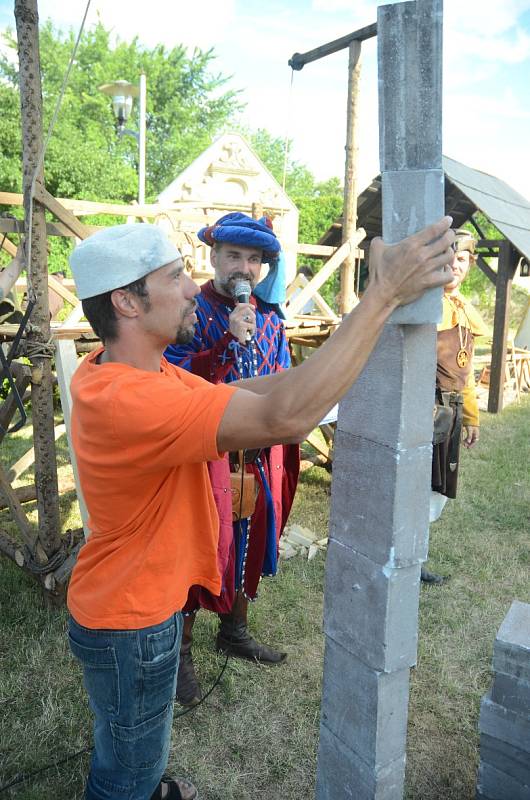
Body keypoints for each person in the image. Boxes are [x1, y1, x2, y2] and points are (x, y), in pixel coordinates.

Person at [67, 218, 454, 800]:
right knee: (125, 768)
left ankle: (146, 782)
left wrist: (352, 346)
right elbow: (286, 418)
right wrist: (383, 295)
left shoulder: (142, 372)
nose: (196, 287)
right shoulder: (133, 399)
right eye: (176, 276)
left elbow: (270, 391)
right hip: (133, 621)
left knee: (133, 737)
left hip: (134, 607)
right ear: (126, 301)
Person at [164, 212, 299, 707]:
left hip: (258, 457)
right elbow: (175, 381)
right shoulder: (186, 309)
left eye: (255, 259)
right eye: (235, 256)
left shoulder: (268, 316)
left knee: (248, 542)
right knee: (201, 551)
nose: (245, 268)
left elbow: (280, 376)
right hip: (204, 457)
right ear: (214, 256)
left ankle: (234, 631)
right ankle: (180, 655)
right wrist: (225, 343)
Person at [421, 228, 488, 584]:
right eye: (448, 257)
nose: (455, 265)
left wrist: (472, 417)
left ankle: (417, 557)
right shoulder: (426, 306)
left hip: (454, 406)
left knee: (437, 487)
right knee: (418, 484)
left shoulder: (466, 312)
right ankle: (407, 557)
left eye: (461, 259)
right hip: (426, 406)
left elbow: (468, 372)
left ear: (470, 264)